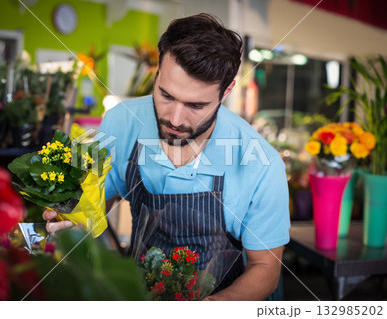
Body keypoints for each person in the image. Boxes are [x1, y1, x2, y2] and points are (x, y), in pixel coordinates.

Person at [43, 13, 290, 301]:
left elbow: (266, 268)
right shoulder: (121, 123)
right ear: (158, 70)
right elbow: (94, 205)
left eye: (196, 105)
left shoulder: (262, 164)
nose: (174, 118)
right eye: (166, 95)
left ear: (227, 91)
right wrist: (72, 220)